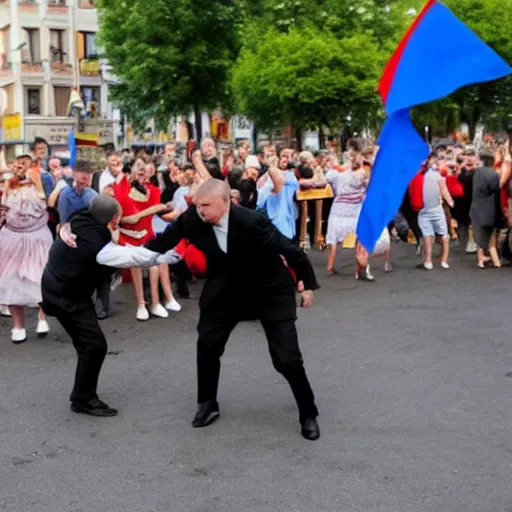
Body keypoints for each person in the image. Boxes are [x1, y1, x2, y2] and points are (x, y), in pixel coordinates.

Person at [144, 179, 321, 440]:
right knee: (207, 346)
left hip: (268, 290)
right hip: (225, 291)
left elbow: (290, 250)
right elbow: (160, 244)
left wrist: (307, 286)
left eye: (206, 205)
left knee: (287, 359)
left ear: (226, 203)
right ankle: (207, 404)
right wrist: (115, 252)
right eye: (197, 205)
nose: (200, 210)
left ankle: (308, 414)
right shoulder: (191, 220)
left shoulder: (251, 221)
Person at [42, 195, 176, 417]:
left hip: (62, 286)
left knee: (89, 345)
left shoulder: (80, 218)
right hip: (66, 296)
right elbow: (134, 256)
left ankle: (82, 395)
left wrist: (64, 228)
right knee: (94, 346)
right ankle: (83, 399)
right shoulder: (98, 245)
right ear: (114, 219)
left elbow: (72, 220)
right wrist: (171, 256)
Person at [470, 151, 502, 268]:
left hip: (476, 207)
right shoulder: (493, 175)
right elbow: (495, 190)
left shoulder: (477, 173)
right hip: (489, 208)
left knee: (480, 234)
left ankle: (481, 260)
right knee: (491, 236)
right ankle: (495, 261)